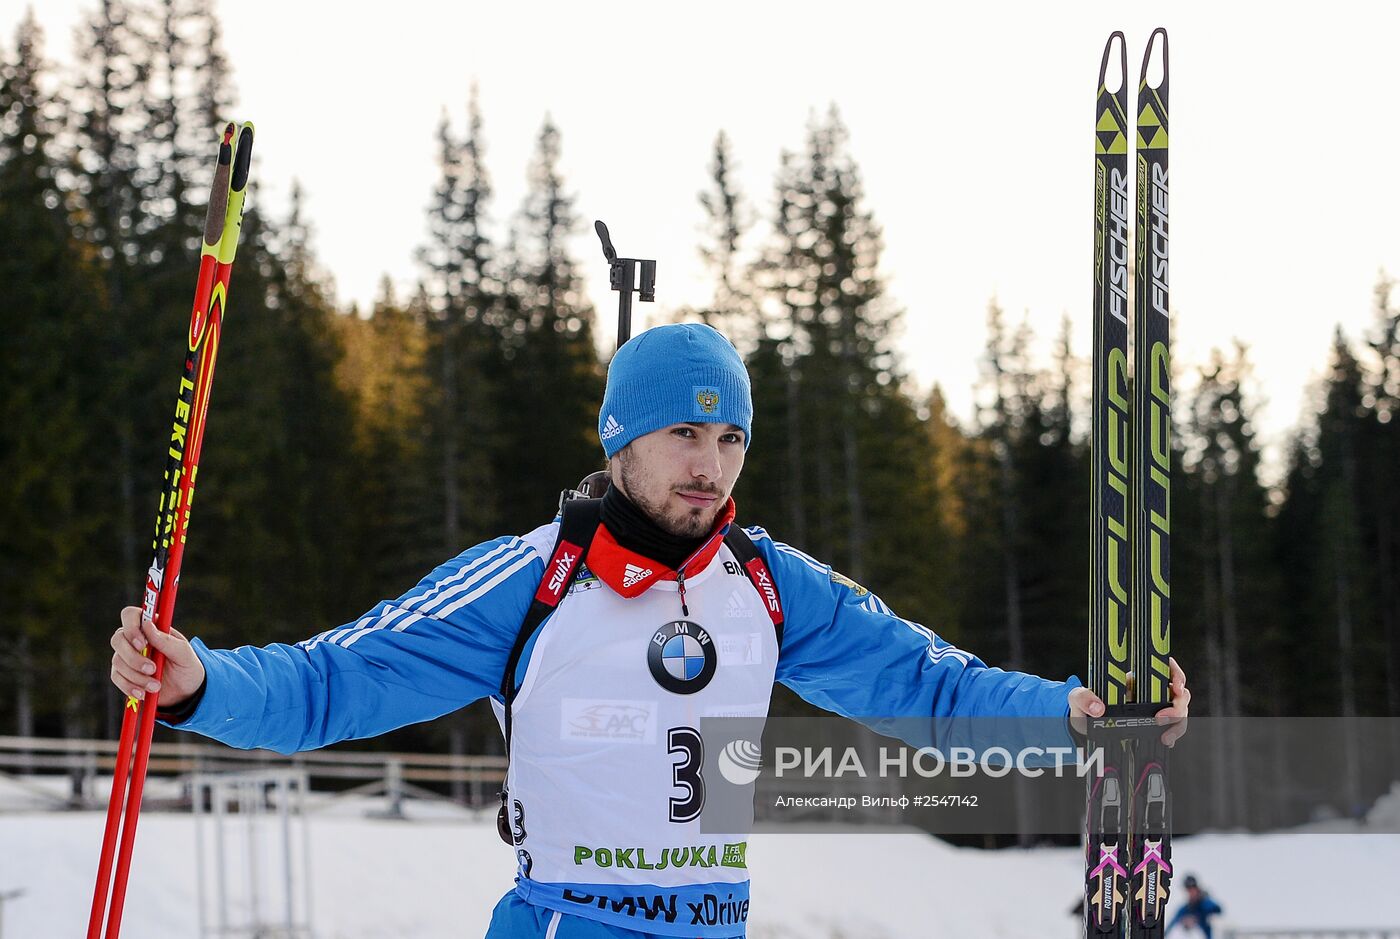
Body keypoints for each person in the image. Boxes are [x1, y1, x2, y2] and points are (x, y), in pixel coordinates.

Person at [110, 323, 1191, 938]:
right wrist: (199, 679)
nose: (707, 464)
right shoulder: (531, 580)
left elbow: (935, 691)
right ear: (621, 438)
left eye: (729, 437)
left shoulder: (770, 585)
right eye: (682, 431)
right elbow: (331, 684)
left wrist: (1072, 714)